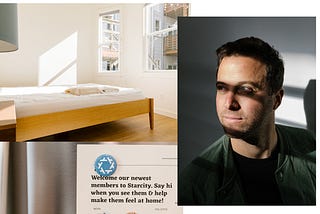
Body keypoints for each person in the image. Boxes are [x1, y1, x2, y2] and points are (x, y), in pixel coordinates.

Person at [178, 37, 316, 205]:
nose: (229, 103)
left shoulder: (312, 146)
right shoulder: (193, 186)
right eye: (221, 88)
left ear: (276, 99)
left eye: (245, 90)